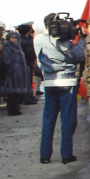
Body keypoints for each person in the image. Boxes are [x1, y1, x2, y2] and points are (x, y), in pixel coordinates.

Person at [35, 13, 85, 164]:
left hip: (49, 83)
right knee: (67, 120)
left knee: (48, 119)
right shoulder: (62, 41)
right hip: (67, 82)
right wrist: (81, 41)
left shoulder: (37, 39)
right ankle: (66, 155)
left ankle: (45, 156)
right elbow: (77, 56)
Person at [0, 31, 32, 116]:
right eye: (12, 38)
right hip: (14, 73)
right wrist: (14, 67)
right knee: (12, 92)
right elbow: (6, 59)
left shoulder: (18, 46)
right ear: (8, 38)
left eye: (15, 38)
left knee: (17, 92)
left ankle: (16, 107)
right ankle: (12, 109)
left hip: (20, 73)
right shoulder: (7, 46)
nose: (14, 39)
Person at [16, 23, 40, 104]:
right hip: (26, 62)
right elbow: (29, 51)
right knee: (27, 80)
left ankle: (30, 96)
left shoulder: (24, 39)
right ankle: (27, 97)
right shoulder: (24, 40)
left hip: (28, 62)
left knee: (29, 80)